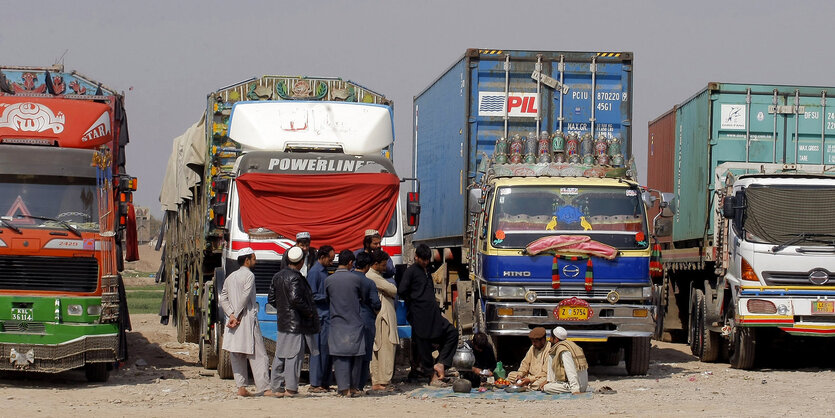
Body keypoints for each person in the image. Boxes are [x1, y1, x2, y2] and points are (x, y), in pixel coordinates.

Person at [398, 244, 458, 386]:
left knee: (452, 333)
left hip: (433, 313)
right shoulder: (411, 272)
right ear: (416, 257)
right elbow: (402, 290)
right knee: (423, 344)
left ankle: (441, 363)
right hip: (419, 314)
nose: (425, 262)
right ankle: (431, 375)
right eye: (422, 259)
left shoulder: (428, 271)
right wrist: (414, 303)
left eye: (427, 260)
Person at [218, 247, 273, 397]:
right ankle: (265, 388)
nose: (255, 261)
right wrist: (236, 315)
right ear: (247, 260)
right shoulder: (249, 276)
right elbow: (245, 296)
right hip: (246, 318)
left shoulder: (230, 277)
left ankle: (241, 387)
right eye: (254, 259)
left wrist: (230, 314)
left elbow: (223, 298)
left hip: (233, 322)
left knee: (237, 354)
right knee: (259, 355)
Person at [267, 246, 320, 397]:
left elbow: (272, 299)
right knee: (294, 356)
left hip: (283, 322)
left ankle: (276, 387)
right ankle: (291, 388)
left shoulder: (277, 276)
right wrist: (308, 312)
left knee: (280, 354)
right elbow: (295, 298)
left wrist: (283, 309)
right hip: (295, 324)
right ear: (301, 262)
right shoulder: (296, 277)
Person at [326, 250, 378, 397]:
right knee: (356, 356)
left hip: (337, 322)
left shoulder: (329, 280)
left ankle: (343, 388)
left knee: (340, 357)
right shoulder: (358, 280)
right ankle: (354, 387)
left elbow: (327, 299)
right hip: (355, 322)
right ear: (350, 263)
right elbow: (364, 298)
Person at [366, 249, 400, 391]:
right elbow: (392, 290)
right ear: (375, 264)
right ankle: (382, 381)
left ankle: (380, 380)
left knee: (381, 348)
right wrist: (388, 289)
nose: (385, 268)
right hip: (383, 318)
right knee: (384, 348)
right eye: (383, 265)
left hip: (384, 316)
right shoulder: (372, 276)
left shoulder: (377, 276)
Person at [306, 245, 335, 393]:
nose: (332, 261)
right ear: (322, 257)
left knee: (326, 350)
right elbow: (311, 295)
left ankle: (324, 382)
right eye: (330, 259)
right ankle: (315, 383)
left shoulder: (325, 272)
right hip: (319, 317)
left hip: (326, 316)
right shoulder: (315, 273)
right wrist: (328, 296)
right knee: (317, 350)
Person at [354, 252, 381, 392]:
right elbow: (376, 304)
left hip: (347, 319)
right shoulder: (369, 283)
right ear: (367, 267)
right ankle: (359, 385)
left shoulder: (347, 279)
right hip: (366, 320)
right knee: (365, 355)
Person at [543, 327, 589, 394]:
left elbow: (570, 370)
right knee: (551, 355)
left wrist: (575, 390)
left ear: (556, 339)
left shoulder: (563, 349)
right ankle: (552, 383)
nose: (549, 340)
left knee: (546, 388)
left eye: (551, 337)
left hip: (578, 386)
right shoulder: (568, 345)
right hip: (580, 385)